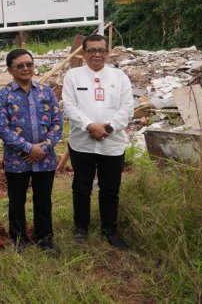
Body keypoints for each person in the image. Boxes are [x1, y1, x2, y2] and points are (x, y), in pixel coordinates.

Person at [63, 34, 134, 250]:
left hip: (112, 144)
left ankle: (109, 231)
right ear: (83, 53)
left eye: (101, 50)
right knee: (81, 188)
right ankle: (81, 229)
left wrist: (109, 127)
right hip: (82, 143)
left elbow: (127, 108)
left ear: (108, 52)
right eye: (91, 50)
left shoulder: (119, 77)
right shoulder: (73, 76)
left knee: (110, 189)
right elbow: (69, 105)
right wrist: (89, 126)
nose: (96, 55)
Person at [0, 49, 63, 257]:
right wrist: (28, 148)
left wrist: (42, 148)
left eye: (29, 64)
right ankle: (19, 239)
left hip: (45, 158)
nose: (26, 69)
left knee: (43, 200)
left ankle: (45, 239)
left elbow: (58, 122)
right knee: (17, 201)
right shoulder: (3, 96)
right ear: (10, 70)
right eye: (20, 66)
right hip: (17, 160)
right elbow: (2, 129)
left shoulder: (46, 92)